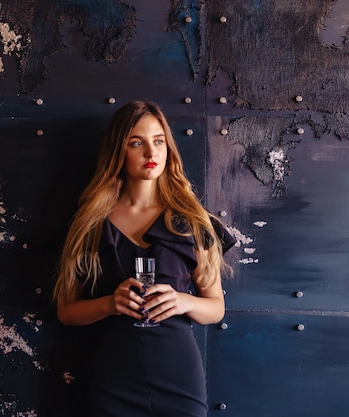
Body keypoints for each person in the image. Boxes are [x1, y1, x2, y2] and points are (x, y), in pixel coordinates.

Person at [52, 100, 236, 417]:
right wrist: (109, 304)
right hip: (116, 375)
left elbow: (215, 307)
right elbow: (67, 312)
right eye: (137, 143)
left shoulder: (194, 221)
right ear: (118, 154)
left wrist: (184, 302)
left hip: (178, 373)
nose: (152, 154)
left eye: (158, 141)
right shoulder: (90, 223)